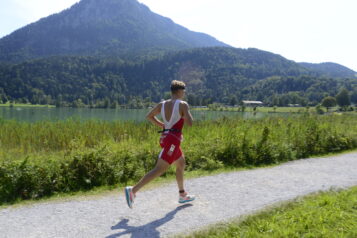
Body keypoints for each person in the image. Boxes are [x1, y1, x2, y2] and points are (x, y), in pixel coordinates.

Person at [124, 80, 195, 209]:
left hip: (167, 137)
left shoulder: (162, 104)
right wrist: (186, 112)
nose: (184, 93)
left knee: (181, 163)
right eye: (184, 91)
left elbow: (149, 116)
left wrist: (163, 125)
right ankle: (133, 190)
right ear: (179, 91)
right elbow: (190, 123)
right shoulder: (183, 104)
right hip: (173, 141)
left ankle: (182, 194)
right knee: (160, 169)